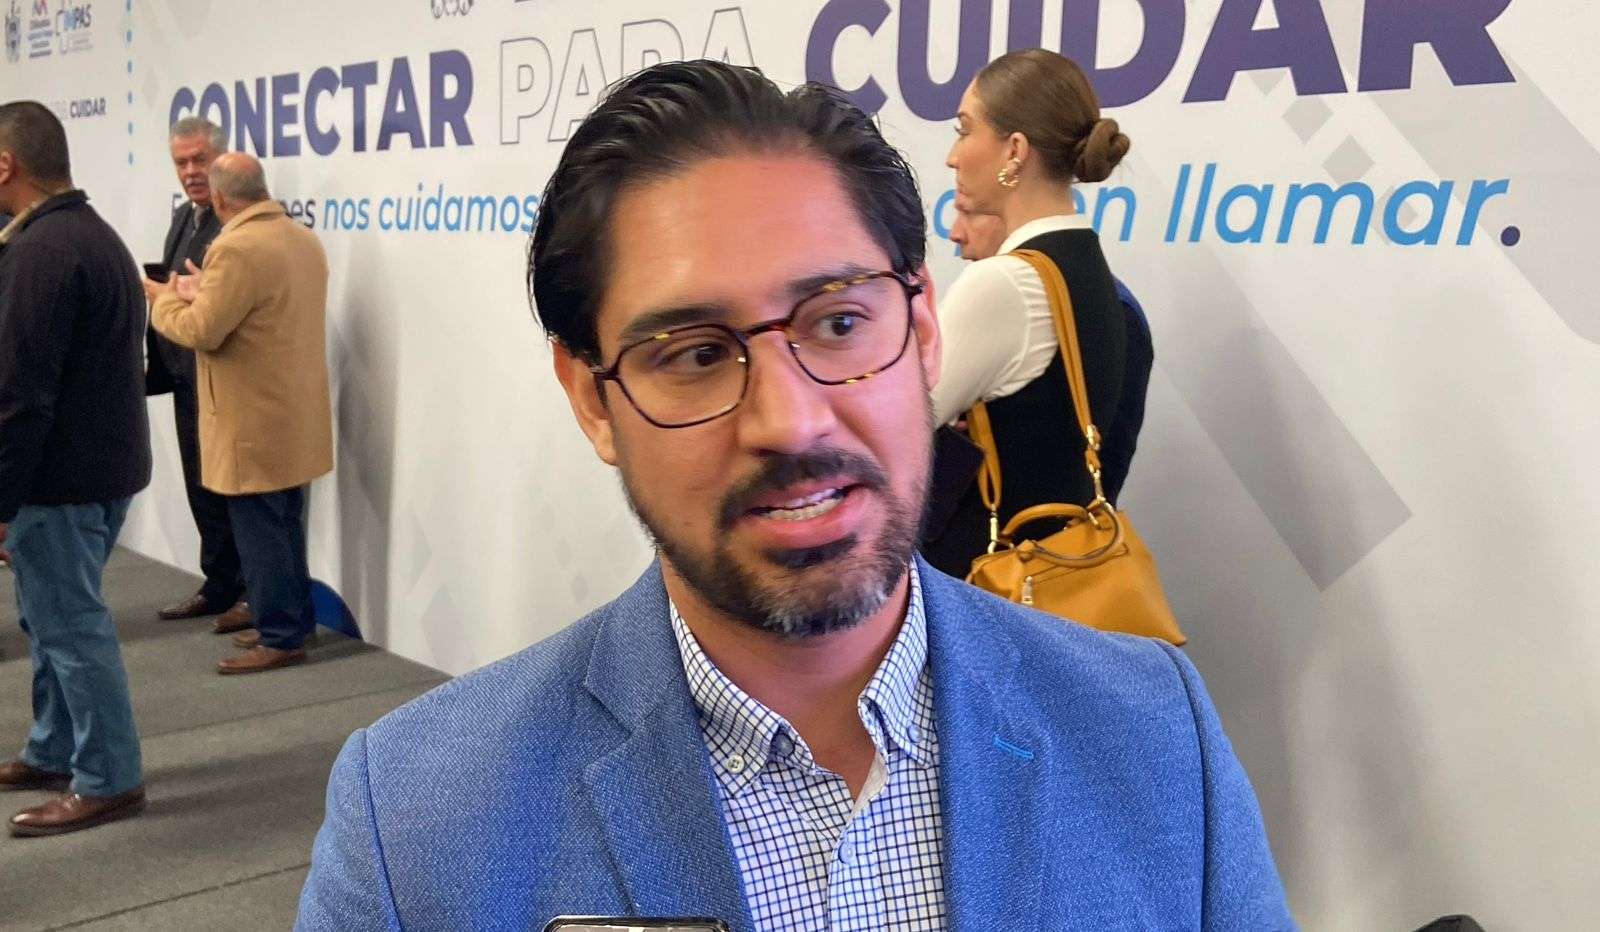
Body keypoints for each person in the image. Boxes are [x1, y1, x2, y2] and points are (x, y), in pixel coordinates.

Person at [296, 60, 1292, 930]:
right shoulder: (418, 817)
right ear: (591, 399)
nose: (791, 421)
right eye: (693, 353)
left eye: (838, 322)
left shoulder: (1151, 730)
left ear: (925, 336)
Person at [922, 48, 1156, 579]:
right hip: (1048, 578)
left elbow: (890, 427)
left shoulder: (1005, 283)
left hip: (985, 583)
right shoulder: (1090, 273)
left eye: (964, 130)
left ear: (1015, 151)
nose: (953, 157)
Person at [0, 100, 151, 836]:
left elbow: (20, 394)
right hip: (94, 471)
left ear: (6, 164)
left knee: (70, 627)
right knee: (52, 618)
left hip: (59, 481)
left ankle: (108, 778)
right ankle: (54, 748)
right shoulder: (88, 234)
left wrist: (0, 498)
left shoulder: (43, 251)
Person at [149, 153, 332, 675]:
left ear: (219, 197)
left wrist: (165, 300)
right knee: (284, 525)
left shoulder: (234, 247)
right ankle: (292, 621)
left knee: (261, 532)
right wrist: (201, 292)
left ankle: (280, 635)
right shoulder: (301, 238)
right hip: (292, 413)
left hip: (250, 418)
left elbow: (201, 331)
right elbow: (255, 311)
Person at [141, 117, 251, 636]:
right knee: (200, 486)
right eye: (181, 163)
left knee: (233, 492)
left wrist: (171, 295)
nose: (189, 172)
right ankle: (219, 583)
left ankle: (249, 591)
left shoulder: (238, 227)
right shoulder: (185, 217)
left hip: (222, 378)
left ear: (221, 161)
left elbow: (217, 303)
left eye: (198, 160)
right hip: (184, 375)